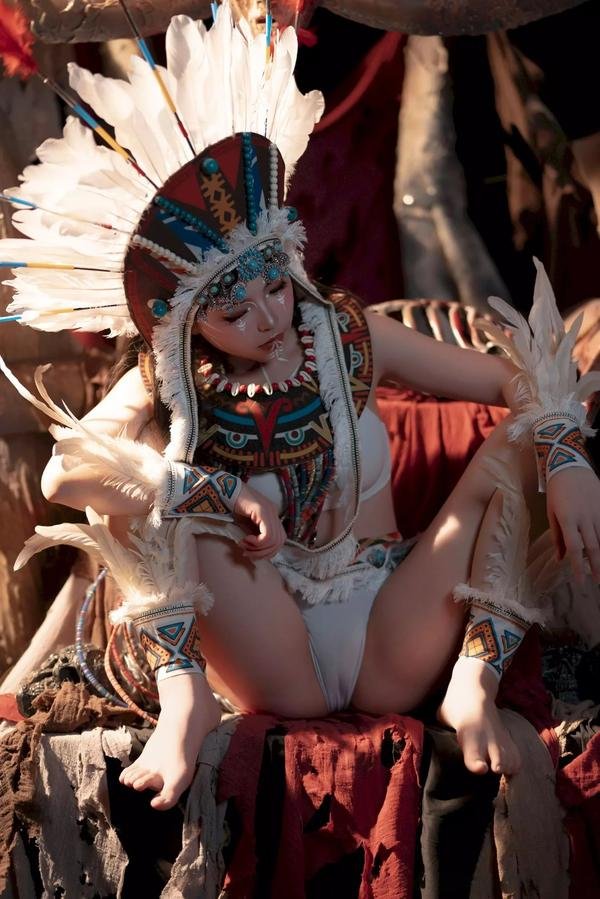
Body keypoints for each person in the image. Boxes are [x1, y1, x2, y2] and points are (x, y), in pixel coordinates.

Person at [2, 2, 600, 817]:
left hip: (392, 630)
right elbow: (67, 472)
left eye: (275, 284)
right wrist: (213, 492)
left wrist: (562, 455)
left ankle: (474, 681)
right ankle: (185, 698)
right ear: (188, 320)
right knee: (134, 489)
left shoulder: (351, 330)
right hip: (275, 653)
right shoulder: (170, 376)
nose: (267, 317)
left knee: (534, 430)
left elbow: (514, 380)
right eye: (233, 309)